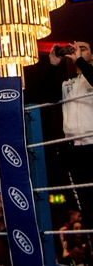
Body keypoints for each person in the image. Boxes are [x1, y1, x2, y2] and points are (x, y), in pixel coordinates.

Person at [44, 41, 93, 213]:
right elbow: (46, 96)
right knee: (85, 203)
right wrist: (53, 66)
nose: (77, 51)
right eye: (74, 49)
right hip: (75, 148)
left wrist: (80, 61)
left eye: (83, 48)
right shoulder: (68, 83)